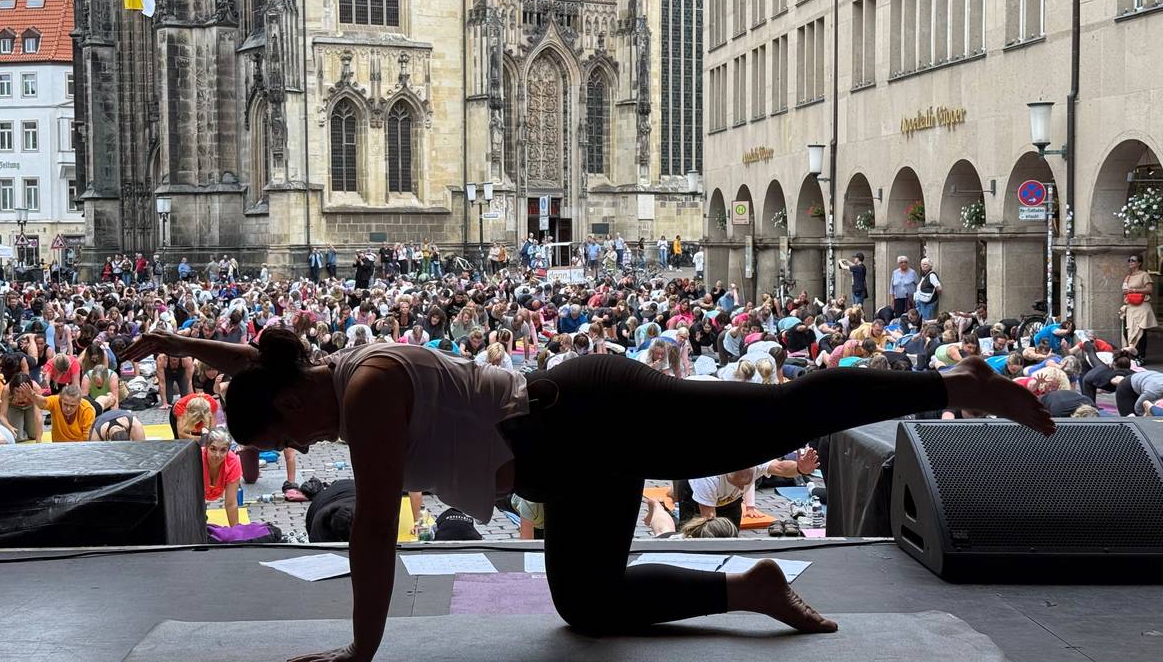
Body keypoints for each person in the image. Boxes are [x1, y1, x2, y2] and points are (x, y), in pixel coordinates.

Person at [121, 329, 1053, 661]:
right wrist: (173, 348)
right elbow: (259, 364)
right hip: (569, 462)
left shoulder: (365, 393)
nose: (298, 447)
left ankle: (955, 386)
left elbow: (372, 532)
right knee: (587, 604)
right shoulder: (319, 371)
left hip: (591, 414)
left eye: (286, 432)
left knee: (777, 417)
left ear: (295, 401)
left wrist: (361, 650)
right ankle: (750, 588)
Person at [202, 426, 243, 527]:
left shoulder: (233, 462)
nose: (217, 455)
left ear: (229, 450)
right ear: (206, 447)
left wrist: (236, 532)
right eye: (213, 449)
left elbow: (231, 503)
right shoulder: (196, 458)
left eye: (223, 450)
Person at [1122, 253, 1156, 351]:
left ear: (1139, 263)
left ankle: (1140, 356)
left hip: (1141, 306)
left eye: (1133, 260)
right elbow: (1124, 291)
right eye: (1129, 260)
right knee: (1128, 331)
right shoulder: (1128, 277)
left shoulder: (1144, 274)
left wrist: (1133, 290)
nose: (1130, 262)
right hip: (1130, 307)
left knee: (1141, 332)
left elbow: (1149, 289)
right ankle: (1133, 353)